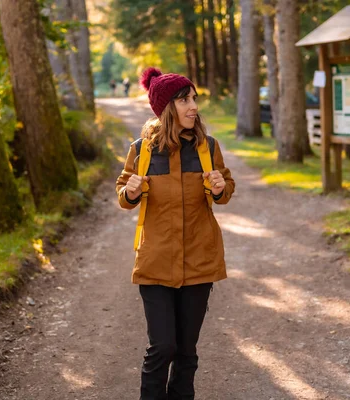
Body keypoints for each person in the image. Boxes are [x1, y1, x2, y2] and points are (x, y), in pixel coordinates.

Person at [115, 67, 235, 400]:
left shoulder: (206, 147)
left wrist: (222, 187)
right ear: (168, 107)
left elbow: (224, 190)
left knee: (186, 350)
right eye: (185, 100)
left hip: (199, 261)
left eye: (194, 98)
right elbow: (124, 193)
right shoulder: (142, 150)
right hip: (155, 262)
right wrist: (132, 192)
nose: (193, 106)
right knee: (163, 347)